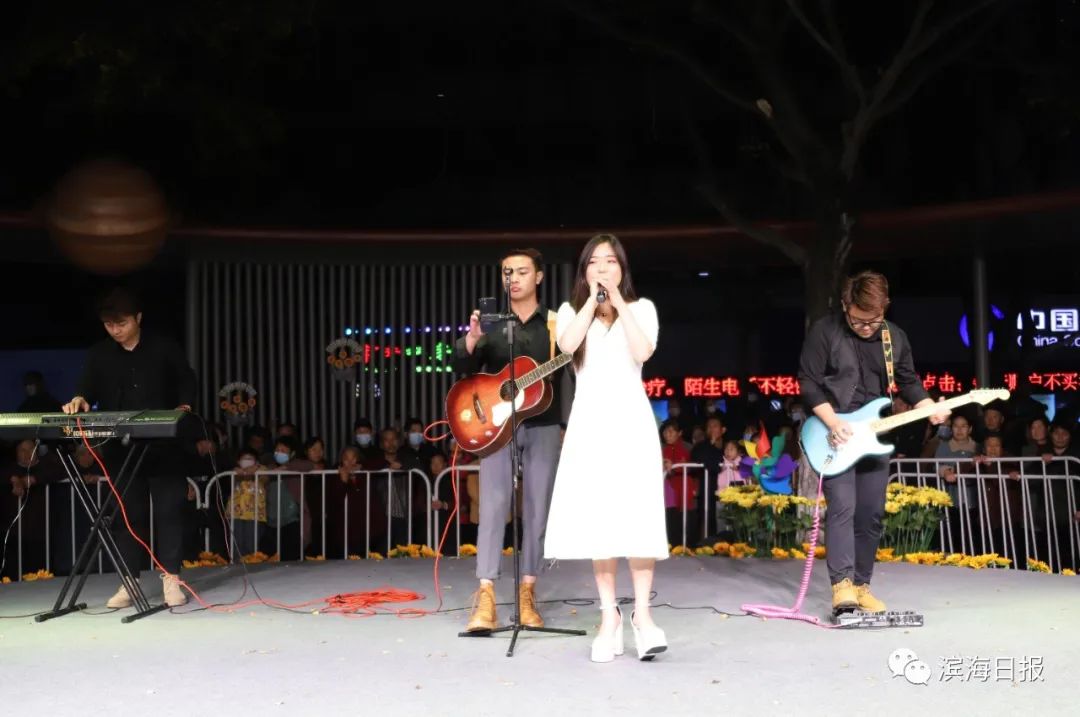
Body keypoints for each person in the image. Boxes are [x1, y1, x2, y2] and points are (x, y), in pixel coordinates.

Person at [544, 233, 668, 663]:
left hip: (633, 423)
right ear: (584, 271)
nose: (602, 267)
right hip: (590, 424)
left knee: (639, 517)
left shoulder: (642, 308)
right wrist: (591, 303)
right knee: (601, 520)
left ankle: (643, 617)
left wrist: (617, 301)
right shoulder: (569, 312)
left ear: (622, 268)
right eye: (594, 262)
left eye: (610, 261)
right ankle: (608, 616)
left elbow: (643, 351)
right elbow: (566, 347)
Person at [797, 270, 949, 614]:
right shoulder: (825, 331)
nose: (866, 327)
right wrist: (833, 422)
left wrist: (929, 407)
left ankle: (862, 585)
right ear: (845, 305)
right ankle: (842, 587)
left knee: (871, 514)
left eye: (874, 320)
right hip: (834, 433)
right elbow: (807, 382)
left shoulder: (894, 337)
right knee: (842, 507)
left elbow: (908, 381)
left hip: (874, 436)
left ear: (886, 307)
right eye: (858, 320)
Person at [61, 287, 197, 608]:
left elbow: (186, 379)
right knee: (126, 514)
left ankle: (171, 578)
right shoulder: (99, 354)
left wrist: (185, 406)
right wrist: (79, 398)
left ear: (138, 318)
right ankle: (128, 581)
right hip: (120, 449)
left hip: (164, 446)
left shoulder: (163, 346)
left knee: (169, 511)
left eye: (121, 323)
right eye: (109, 325)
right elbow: (86, 388)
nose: (115, 330)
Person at [452, 247, 564, 632]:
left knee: (537, 509)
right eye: (507, 272)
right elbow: (462, 367)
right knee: (493, 506)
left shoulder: (556, 324)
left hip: (544, 423)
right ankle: (485, 596)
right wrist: (471, 340)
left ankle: (527, 592)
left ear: (539, 277)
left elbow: (575, 365)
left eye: (521, 271)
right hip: (497, 427)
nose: (513, 278)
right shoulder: (492, 324)